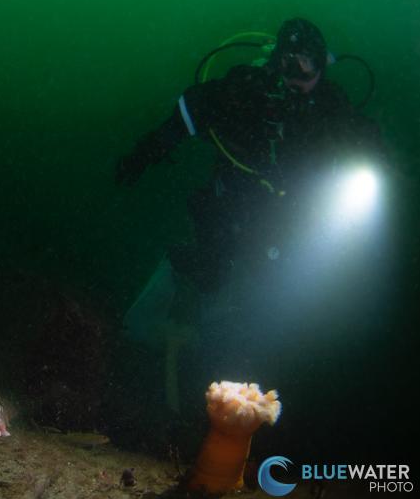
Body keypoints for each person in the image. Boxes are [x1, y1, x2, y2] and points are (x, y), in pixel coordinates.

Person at [116, 18, 383, 301]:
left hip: (296, 202)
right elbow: (189, 112)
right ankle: (194, 285)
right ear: (276, 60)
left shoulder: (332, 104)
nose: (296, 75)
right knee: (213, 263)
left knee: (299, 274)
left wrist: (375, 165)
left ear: (322, 64)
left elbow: (363, 140)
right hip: (235, 192)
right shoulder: (247, 86)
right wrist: (144, 153)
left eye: (307, 65)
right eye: (288, 62)